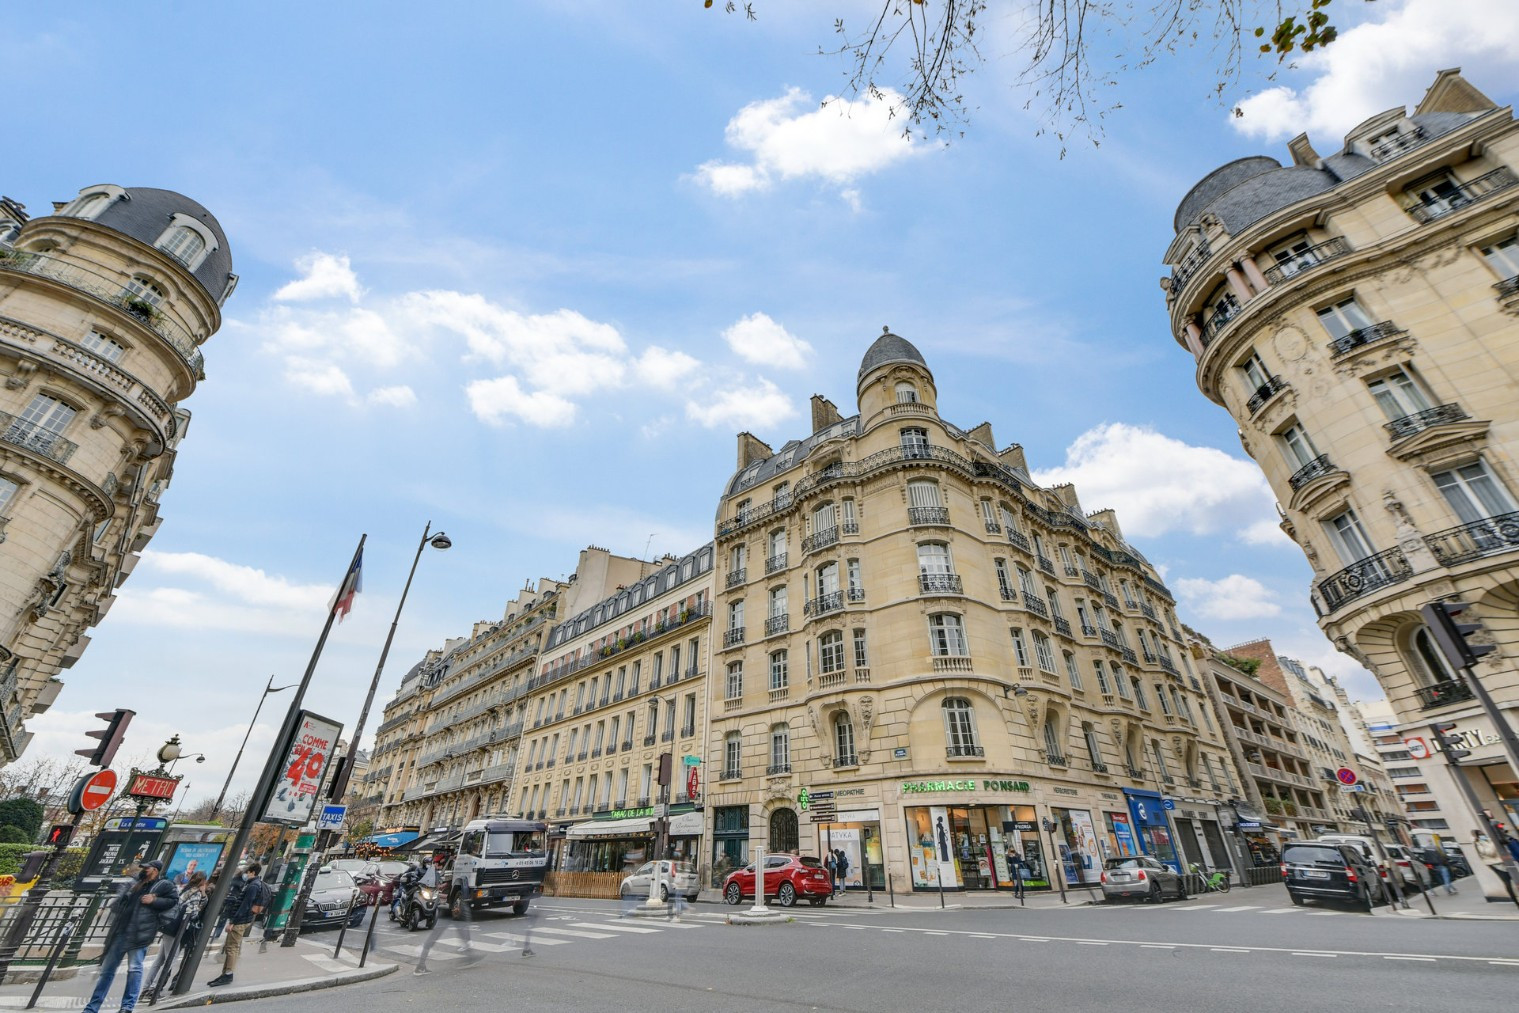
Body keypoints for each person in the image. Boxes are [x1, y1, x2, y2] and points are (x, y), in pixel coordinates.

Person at [82, 860, 179, 1013]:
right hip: (121, 930)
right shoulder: (135, 883)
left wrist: (154, 900)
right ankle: (92, 1008)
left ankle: (127, 1007)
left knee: (134, 970)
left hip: (140, 932)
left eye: (147, 868)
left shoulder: (162, 885)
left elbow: (173, 902)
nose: (144, 870)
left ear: (155, 870)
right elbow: (119, 901)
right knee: (108, 971)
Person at [145, 871, 208, 1002]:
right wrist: (202, 893)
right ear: (203, 882)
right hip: (176, 929)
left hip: (168, 926)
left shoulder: (185, 888)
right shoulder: (196, 893)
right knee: (170, 959)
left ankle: (147, 987)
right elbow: (193, 913)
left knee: (160, 959)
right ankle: (153, 988)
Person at [208, 862, 266, 987]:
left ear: (252, 872)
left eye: (247, 872)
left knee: (232, 948)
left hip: (240, 920)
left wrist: (233, 921)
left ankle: (228, 974)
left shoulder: (253, 886)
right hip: (242, 919)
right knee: (230, 947)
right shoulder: (252, 884)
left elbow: (245, 904)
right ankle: (225, 973)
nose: (246, 874)